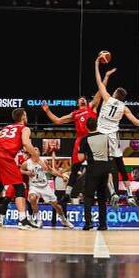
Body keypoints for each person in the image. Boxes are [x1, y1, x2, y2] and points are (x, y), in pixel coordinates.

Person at [42, 69, 113, 198]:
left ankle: (110, 192)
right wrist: (47, 111)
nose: (82, 100)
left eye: (83, 99)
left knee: (100, 166)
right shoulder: (74, 114)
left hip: (93, 138)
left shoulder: (92, 107)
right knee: (75, 167)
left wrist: (106, 77)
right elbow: (58, 121)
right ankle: (68, 193)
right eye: (80, 99)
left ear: (86, 101)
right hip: (80, 140)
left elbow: (101, 89)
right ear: (77, 103)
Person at [93, 54, 139, 198]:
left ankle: (113, 193)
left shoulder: (107, 98)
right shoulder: (124, 107)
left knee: (105, 167)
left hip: (100, 136)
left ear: (115, 93)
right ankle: (130, 194)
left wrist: (97, 64)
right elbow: (137, 123)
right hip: (113, 138)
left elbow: (99, 81)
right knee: (121, 166)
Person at [0, 108, 44, 229]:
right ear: (23, 117)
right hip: (4, 156)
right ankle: (22, 220)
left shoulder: (7, 127)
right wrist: (36, 156)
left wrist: (4, 144)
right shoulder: (24, 128)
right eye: (26, 115)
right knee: (19, 186)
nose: (26, 117)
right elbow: (26, 143)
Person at [79, 117, 112, 231]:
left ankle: (88, 223)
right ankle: (103, 224)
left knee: (88, 197)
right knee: (102, 197)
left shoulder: (85, 139)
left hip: (93, 168)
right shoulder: (106, 137)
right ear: (97, 125)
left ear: (86, 127)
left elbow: (81, 158)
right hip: (105, 168)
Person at [21, 153, 71, 228]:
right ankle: (39, 220)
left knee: (56, 205)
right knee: (32, 198)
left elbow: (51, 171)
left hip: (45, 187)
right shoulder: (26, 163)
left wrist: (62, 176)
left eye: (37, 150)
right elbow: (20, 170)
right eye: (34, 149)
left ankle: (64, 220)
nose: (35, 151)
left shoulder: (43, 161)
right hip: (34, 187)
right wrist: (26, 172)